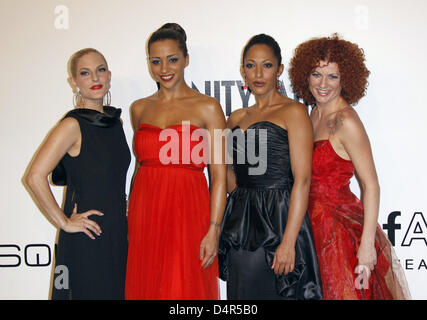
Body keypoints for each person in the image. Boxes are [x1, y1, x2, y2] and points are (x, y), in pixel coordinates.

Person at [289, 34, 411, 300]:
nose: (323, 84)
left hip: (338, 232)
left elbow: (371, 185)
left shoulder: (346, 121)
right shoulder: (311, 114)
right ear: (304, 76)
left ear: (346, 79)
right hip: (307, 227)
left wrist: (367, 246)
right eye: (316, 74)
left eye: (332, 76)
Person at [125, 23, 226, 300]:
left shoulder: (207, 107)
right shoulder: (139, 108)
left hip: (189, 212)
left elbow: (218, 176)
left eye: (172, 59)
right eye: (155, 61)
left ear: (186, 59)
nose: (164, 68)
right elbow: (139, 167)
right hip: (145, 211)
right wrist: (130, 209)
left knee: (184, 289)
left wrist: (214, 230)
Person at [218, 34, 323, 300]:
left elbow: (303, 180)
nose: (258, 73)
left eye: (266, 65)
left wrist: (288, 242)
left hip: (281, 217)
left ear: (279, 69)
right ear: (242, 71)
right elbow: (229, 176)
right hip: (243, 221)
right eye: (251, 65)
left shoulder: (294, 112)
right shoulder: (235, 119)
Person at [25, 48, 130, 299]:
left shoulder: (116, 123)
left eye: (100, 70)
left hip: (117, 231)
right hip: (88, 235)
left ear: (109, 75)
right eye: (85, 73)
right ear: (74, 82)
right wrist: (64, 222)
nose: (95, 79)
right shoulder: (72, 126)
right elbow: (34, 176)